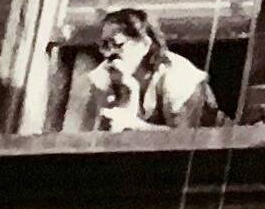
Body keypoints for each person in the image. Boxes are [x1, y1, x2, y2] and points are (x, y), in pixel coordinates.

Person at [77, 8, 225, 130]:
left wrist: (134, 126)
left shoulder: (178, 77)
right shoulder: (109, 69)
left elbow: (184, 138)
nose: (108, 53)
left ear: (145, 44)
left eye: (118, 46)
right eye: (105, 46)